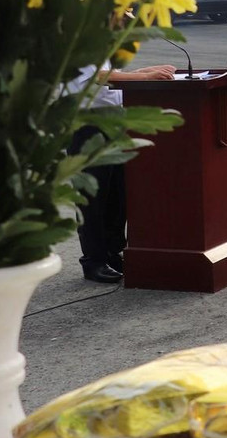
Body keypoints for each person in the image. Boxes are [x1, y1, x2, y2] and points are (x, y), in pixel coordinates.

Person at [67, 61, 178, 283]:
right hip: (87, 125)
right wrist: (145, 78)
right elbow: (97, 77)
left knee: (117, 194)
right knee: (92, 197)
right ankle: (94, 261)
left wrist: (141, 72)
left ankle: (112, 253)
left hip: (112, 122)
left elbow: (109, 77)